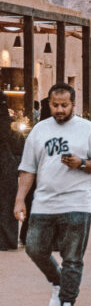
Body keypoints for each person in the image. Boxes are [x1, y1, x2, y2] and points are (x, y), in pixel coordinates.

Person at [14, 83, 91, 306]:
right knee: (34, 248)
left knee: (72, 257)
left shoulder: (88, 129)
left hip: (77, 202)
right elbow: (27, 169)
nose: (59, 110)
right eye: (55, 105)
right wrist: (19, 201)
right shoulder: (39, 131)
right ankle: (57, 281)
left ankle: (68, 304)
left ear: (73, 105)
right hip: (44, 202)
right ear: (48, 103)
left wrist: (83, 163)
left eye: (64, 105)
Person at [0, 99, 24, 250]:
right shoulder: (10, 126)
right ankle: (8, 240)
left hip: (7, 167)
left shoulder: (10, 126)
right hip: (8, 168)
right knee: (7, 204)